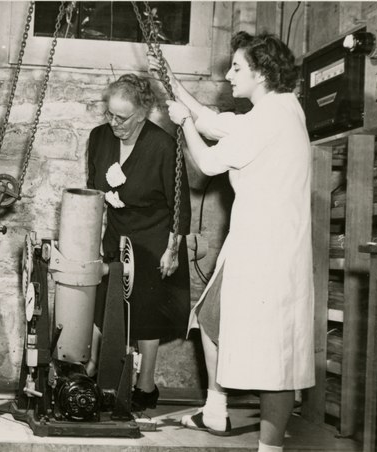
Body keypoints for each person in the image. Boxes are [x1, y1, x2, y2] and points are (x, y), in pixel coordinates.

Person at [154, 31, 314, 452]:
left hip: (268, 249)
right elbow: (212, 120)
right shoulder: (281, 108)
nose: (228, 75)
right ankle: (215, 410)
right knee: (210, 315)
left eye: (238, 67)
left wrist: (183, 122)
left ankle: (269, 447)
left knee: (274, 357)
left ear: (260, 73)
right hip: (257, 241)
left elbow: (206, 161)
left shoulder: (268, 119)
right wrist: (172, 82)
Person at [87, 73, 191, 410]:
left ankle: (146, 386)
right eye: (109, 114)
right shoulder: (100, 137)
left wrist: (172, 250)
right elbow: (92, 190)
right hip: (117, 230)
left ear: (142, 113)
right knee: (104, 302)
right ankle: (95, 375)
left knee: (146, 310)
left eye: (122, 117)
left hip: (154, 234)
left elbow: (180, 206)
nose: (113, 122)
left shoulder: (162, 145)